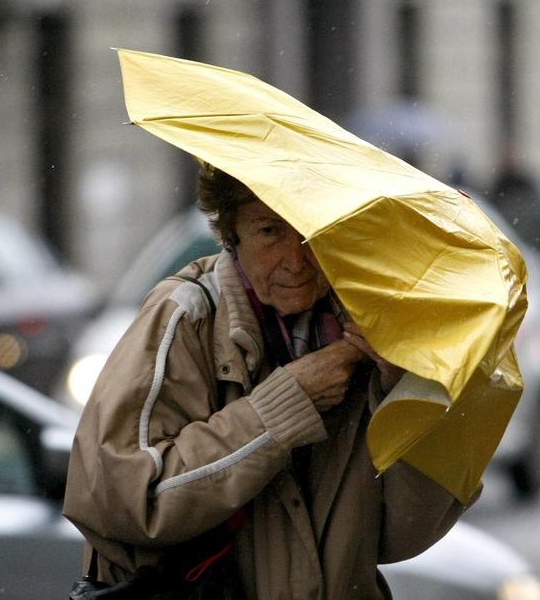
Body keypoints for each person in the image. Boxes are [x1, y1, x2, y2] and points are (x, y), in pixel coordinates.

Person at [63, 163, 475, 599]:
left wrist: (403, 390)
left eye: (309, 231)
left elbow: (401, 536)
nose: (295, 260)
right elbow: (124, 502)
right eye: (268, 232)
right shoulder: (185, 319)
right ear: (232, 235)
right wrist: (283, 407)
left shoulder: (369, 329)